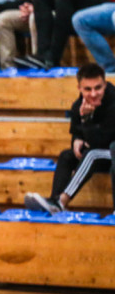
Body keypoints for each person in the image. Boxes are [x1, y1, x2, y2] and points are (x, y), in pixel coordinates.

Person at [24, 63, 115, 215]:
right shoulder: (77, 105)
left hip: (111, 152)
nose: (93, 94)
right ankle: (54, 202)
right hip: (99, 154)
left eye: (98, 88)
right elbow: (76, 132)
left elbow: (101, 142)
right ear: (79, 88)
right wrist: (77, 140)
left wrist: (86, 119)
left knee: (91, 154)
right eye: (88, 89)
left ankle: (61, 201)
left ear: (105, 85)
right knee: (66, 156)